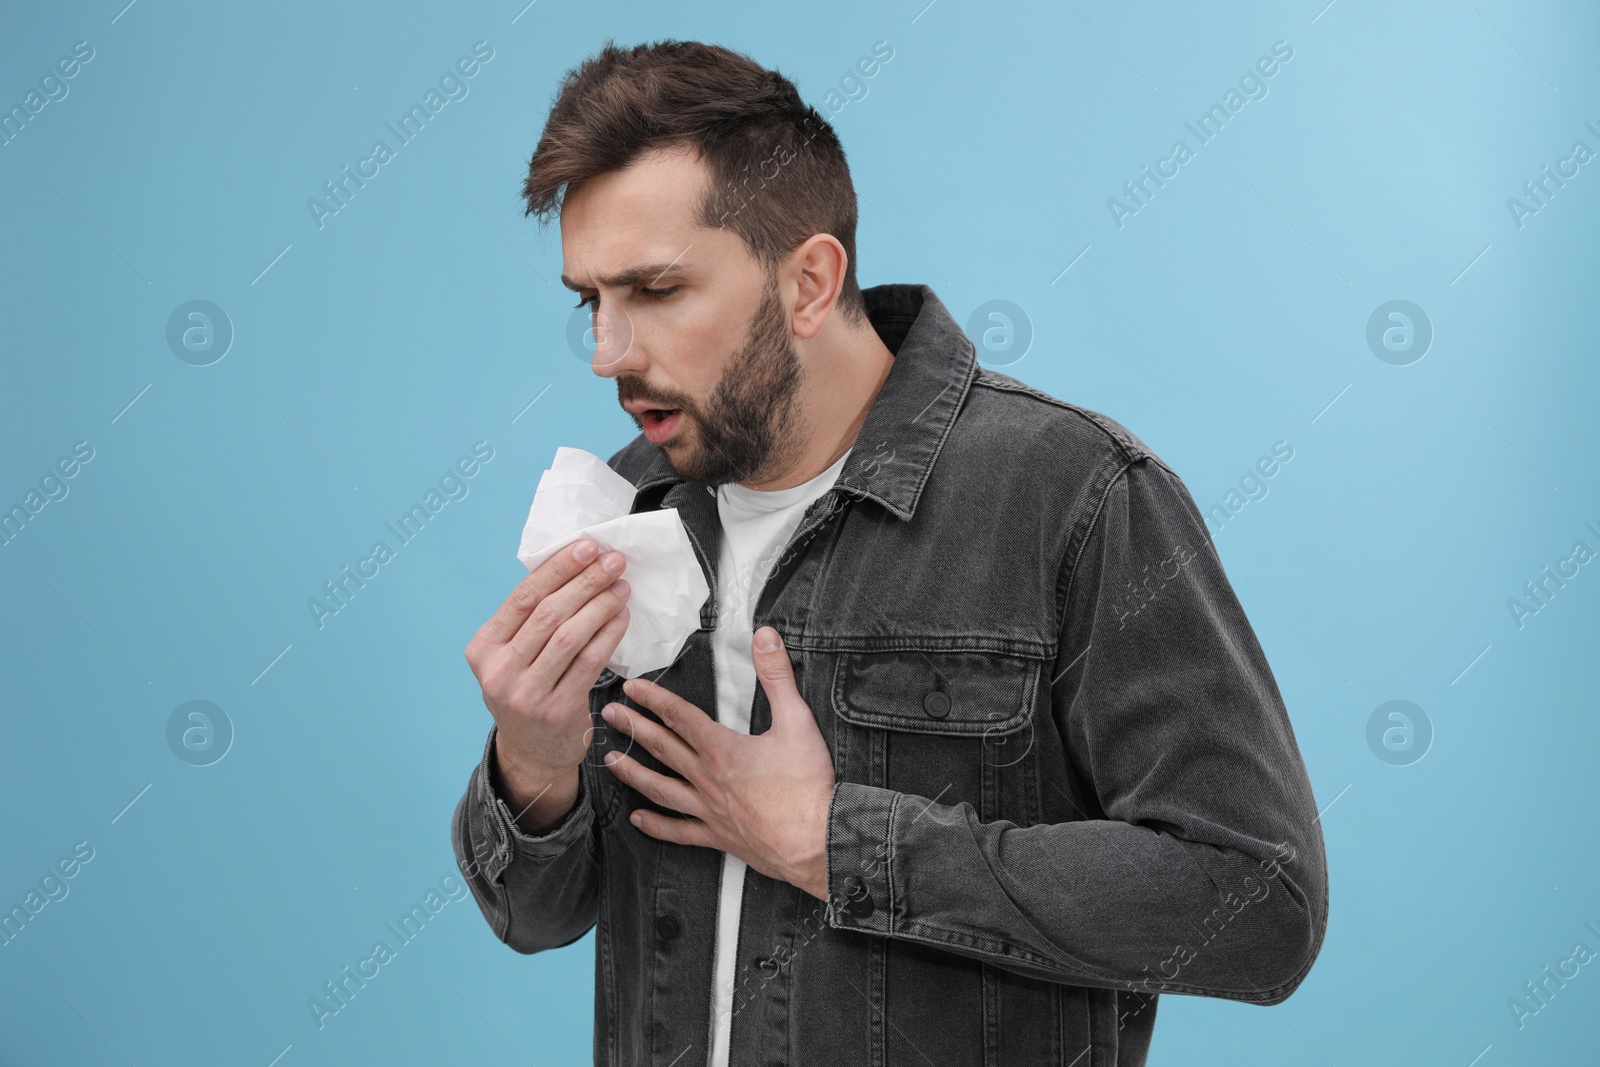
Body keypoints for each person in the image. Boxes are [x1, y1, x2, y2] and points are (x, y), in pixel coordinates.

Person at [452, 38, 1328, 1067]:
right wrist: (534, 762)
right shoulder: (635, 499)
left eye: (654, 291)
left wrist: (838, 842)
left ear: (810, 283)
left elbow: (1260, 905)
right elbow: (538, 915)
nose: (607, 351)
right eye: (588, 300)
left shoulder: (1071, 494)